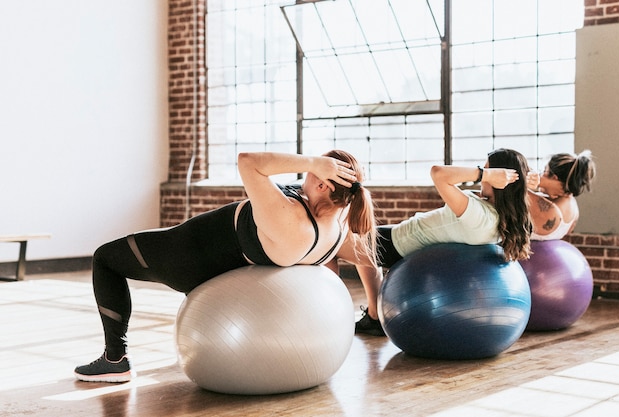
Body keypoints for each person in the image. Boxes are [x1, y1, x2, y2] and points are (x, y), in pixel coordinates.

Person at [74, 150, 377, 383]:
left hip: (184, 255)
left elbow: (247, 161)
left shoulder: (290, 217)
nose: (305, 174)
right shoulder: (336, 229)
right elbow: (363, 257)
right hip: (220, 270)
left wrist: (313, 161)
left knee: (105, 258)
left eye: (311, 174)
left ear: (324, 183)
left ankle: (115, 360)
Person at [337, 148, 533, 336]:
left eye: (488, 169)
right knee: (361, 237)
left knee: (330, 246)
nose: (485, 173)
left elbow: (438, 173)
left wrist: (485, 175)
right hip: (400, 235)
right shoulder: (501, 216)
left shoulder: (478, 216)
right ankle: (374, 314)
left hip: (396, 245)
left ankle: (336, 318)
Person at [527, 150, 596, 240]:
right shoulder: (573, 206)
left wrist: (538, 181)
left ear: (555, 178)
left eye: (544, 170)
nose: (539, 174)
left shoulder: (550, 211)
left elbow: (510, 187)